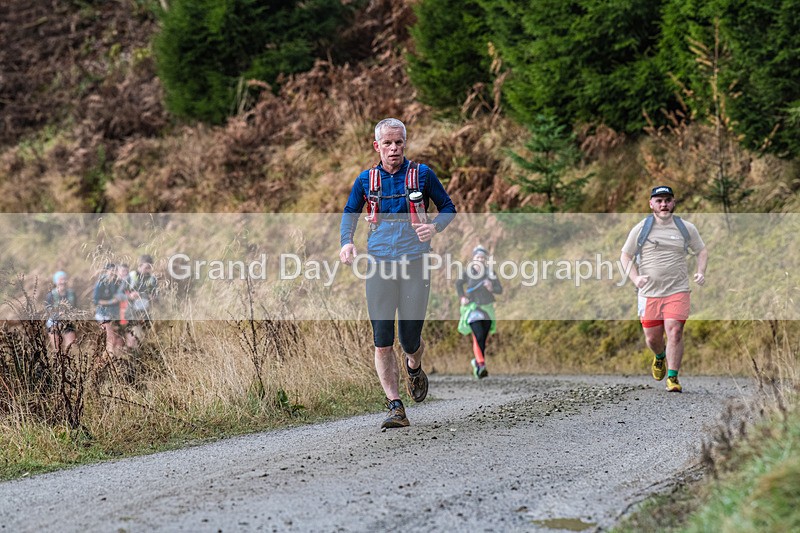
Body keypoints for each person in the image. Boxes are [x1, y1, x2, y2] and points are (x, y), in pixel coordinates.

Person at [340, 118, 456, 429]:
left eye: (399, 142)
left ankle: (414, 366)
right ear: (377, 146)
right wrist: (347, 242)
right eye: (387, 143)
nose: (394, 148)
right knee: (382, 340)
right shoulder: (366, 180)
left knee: (409, 340)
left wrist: (434, 227)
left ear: (404, 143)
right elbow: (350, 212)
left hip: (415, 263)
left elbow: (448, 207)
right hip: (379, 264)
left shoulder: (422, 175)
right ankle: (395, 406)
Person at [620, 185, 708, 392]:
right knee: (653, 338)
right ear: (651, 204)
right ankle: (659, 356)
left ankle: (673, 377)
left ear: (673, 202)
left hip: (677, 290)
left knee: (675, 331)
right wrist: (635, 278)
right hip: (649, 293)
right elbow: (625, 256)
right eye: (659, 201)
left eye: (667, 200)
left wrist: (700, 271)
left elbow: (701, 251)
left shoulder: (686, 228)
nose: (664, 205)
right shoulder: (641, 228)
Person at [456, 245, 502, 379]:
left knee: (483, 338)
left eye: (482, 257)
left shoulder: (490, 273)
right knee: (479, 335)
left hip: (487, 308)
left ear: (485, 259)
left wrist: (491, 287)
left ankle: (477, 364)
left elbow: (500, 290)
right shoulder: (468, 271)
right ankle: (481, 364)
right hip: (472, 307)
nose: (480, 259)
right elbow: (458, 284)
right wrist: (462, 297)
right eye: (478, 257)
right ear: (473, 258)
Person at [93, 263, 123, 356]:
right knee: (110, 337)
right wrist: (110, 302)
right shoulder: (101, 282)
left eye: (115, 270)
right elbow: (96, 300)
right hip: (103, 314)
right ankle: (109, 357)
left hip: (115, 314)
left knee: (118, 339)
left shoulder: (118, 282)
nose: (114, 272)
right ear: (106, 271)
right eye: (112, 270)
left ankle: (115, 357)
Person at [44, 271, 78, 353]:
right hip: (54, 323)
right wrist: (58, 314)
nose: (62, 282)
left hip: (67, 322)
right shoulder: (50, 295)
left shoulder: (71, 294)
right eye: (60, 280)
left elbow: (75, 307)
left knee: (72, 347)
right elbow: (48, 310)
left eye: (64, 279)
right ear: (55, 282)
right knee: (56, 349)